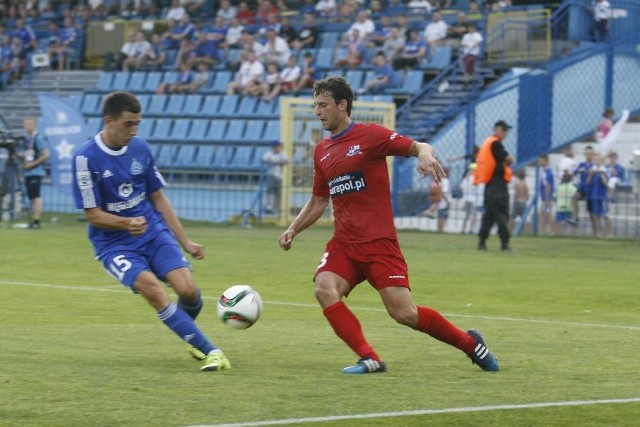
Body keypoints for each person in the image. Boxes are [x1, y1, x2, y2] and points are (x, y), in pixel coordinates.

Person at [278, 76, 499, 374]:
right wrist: (294, 228)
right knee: (324, 289)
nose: (318, 111)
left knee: (405, 314)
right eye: (315, 105)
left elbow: (421, 145)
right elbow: (318, 201)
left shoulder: (371, 136)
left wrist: (423, 155)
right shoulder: (322, 151)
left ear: (342, 105)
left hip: (379, 243)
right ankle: (370, 358)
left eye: (323, 105)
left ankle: (471, 345)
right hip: (344, 243)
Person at [71, 92, 230, 372]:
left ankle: (191, 336)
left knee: (189, 291)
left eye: (137, 124)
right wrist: (124, 224)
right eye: (128, 124)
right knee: (155, 292)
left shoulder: (140, 149)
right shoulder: (85, 158)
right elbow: (92, 214)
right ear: (109, 121)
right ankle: (211, 351)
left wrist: (186, 241)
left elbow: (158, 198)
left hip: (152, 232)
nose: (133, 131)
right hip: (114, 245)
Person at [475, 120, 514, 251]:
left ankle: (482, 241)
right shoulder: (496, 143)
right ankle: (505, 243)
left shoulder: (487, 143)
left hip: (489, 184)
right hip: (498, 184)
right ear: (497, 129)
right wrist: (509, 161)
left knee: (489, 214)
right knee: (501, 213)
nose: (505, 133)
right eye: (504, 130)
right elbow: (509, 159)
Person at [17, 117, 49, 229]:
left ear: (34, 125)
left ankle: (36, 220)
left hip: (36, 171)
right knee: (32, 196)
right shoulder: (25, 139)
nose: (28, 127)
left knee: (36, 196)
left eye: (30, 124)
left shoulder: (38, 138)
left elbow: (45, 154)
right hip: (28, 172)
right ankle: (35, 220)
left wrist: (33, 164)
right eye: (26, 124)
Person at [587, 152, 610, 238]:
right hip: (594, 196)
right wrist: (590, 175)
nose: (597, 161)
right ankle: (598, 233)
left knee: (605, 215)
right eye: (595, 159)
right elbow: (588, 183)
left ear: (601, 161)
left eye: (598, 160)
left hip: (602, 196)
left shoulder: (604, 170)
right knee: (596, 215)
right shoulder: (592, 170)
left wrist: (602, 175)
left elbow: (606, 183)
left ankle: (609, 233)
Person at [262, 140, 289, 214]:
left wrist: (276, 163)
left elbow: (286, 161)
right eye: (277, 147)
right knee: (270, 191)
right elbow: (264, 160)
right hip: (271, 175)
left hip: (281, 176)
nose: (278, 148)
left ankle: (278, 208)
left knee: (279, 193)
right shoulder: (269, 154)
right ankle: (269, 207)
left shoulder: (283, 154)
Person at [460, 162, 483, 234]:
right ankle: (470, 229)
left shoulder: (466, 178)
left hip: (466, 199)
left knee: (467, 215)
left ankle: (463, 229)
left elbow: (461, 188)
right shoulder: (477, 178)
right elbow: (480, 189)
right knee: (473, 215)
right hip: (474, 199)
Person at [554, 171, 576, 236]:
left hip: (560, 207)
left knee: (559, 222)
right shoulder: (572, 188)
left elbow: (555, 196)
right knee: (570, 223)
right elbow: (575, 197)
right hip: (569, 207)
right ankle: (571, 235)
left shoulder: (559, 187)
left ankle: (557, 234)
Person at [537, 154, 554, 235]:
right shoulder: (545, 172)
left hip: (546, 197)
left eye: (541, 161)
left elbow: (548, 185)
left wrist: (547, 198)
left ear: (546, 161)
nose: (540, 163)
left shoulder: (547, 173)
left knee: (544, 214)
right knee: (544, 214)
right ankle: (546, 231)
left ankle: (547, 231)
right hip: (545, 197)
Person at [508, 168, 529, 234]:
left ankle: (509, 231)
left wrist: (514, 201)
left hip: (517, 202)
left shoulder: (516, 185)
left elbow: (515, 195)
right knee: (524, 219)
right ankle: (525, 233)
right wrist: (525, 199)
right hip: (523, 202)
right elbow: (527, 195)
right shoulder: (525, 185)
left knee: (512, 218)